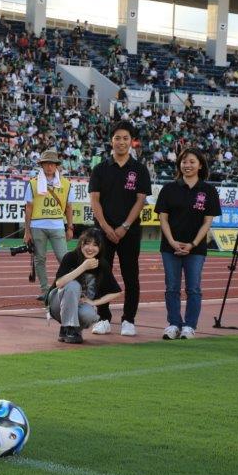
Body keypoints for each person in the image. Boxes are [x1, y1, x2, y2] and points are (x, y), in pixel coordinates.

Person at [88, 120, 152, 336]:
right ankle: (103, 317)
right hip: (102, 232)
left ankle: (129, 320)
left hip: (130, 232)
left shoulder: (140, 169)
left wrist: (124, 226)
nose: (121, 142)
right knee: (101, 274)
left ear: (132, 141)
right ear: (111, 141)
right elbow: (95, 200)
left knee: (130, 276)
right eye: (117, 138)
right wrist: (106, 227)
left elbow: (140, 200)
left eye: (126, 138)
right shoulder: (100, 169)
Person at [154, 148, 221, 339]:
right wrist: (172, 242)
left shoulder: (208, 190)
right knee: (172, 288)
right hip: (170, 248)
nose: (187, 165)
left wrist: (192, 244)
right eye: (184, 162)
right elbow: (163, 219)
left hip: (196, 249)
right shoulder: (169, 189)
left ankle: (190, 326)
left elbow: (207, 222)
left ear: (200, 165)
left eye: (192, 162)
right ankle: (174, 324)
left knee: (193, 288)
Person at [48, 228, 122, 344]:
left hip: (80, 304)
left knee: (90, 315)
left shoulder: (102, 264)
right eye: (87, 243)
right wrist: (83, 267)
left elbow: (117, 291)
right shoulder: (70, 257)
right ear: (81, 243)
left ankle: (72, 331)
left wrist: (94, 302)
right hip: (58, 303)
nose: (90, 248)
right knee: (73, 285)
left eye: (95, 245)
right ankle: (68, 327)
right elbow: (59, 283)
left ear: (100, 247)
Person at [24, 148, 74, 301]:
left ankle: (69, 288)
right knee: (39, 259)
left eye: (52, 163)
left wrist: (70, 227)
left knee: (64, 258)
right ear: (42, 165)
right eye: (46, 163)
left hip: (57, 225)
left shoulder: (66, 184)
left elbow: (69, 207)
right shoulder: (33, 183)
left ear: (57, 165)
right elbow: (28, 208)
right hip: (37, 226)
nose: (49, 166)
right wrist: (27, 231)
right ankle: (45, 291)